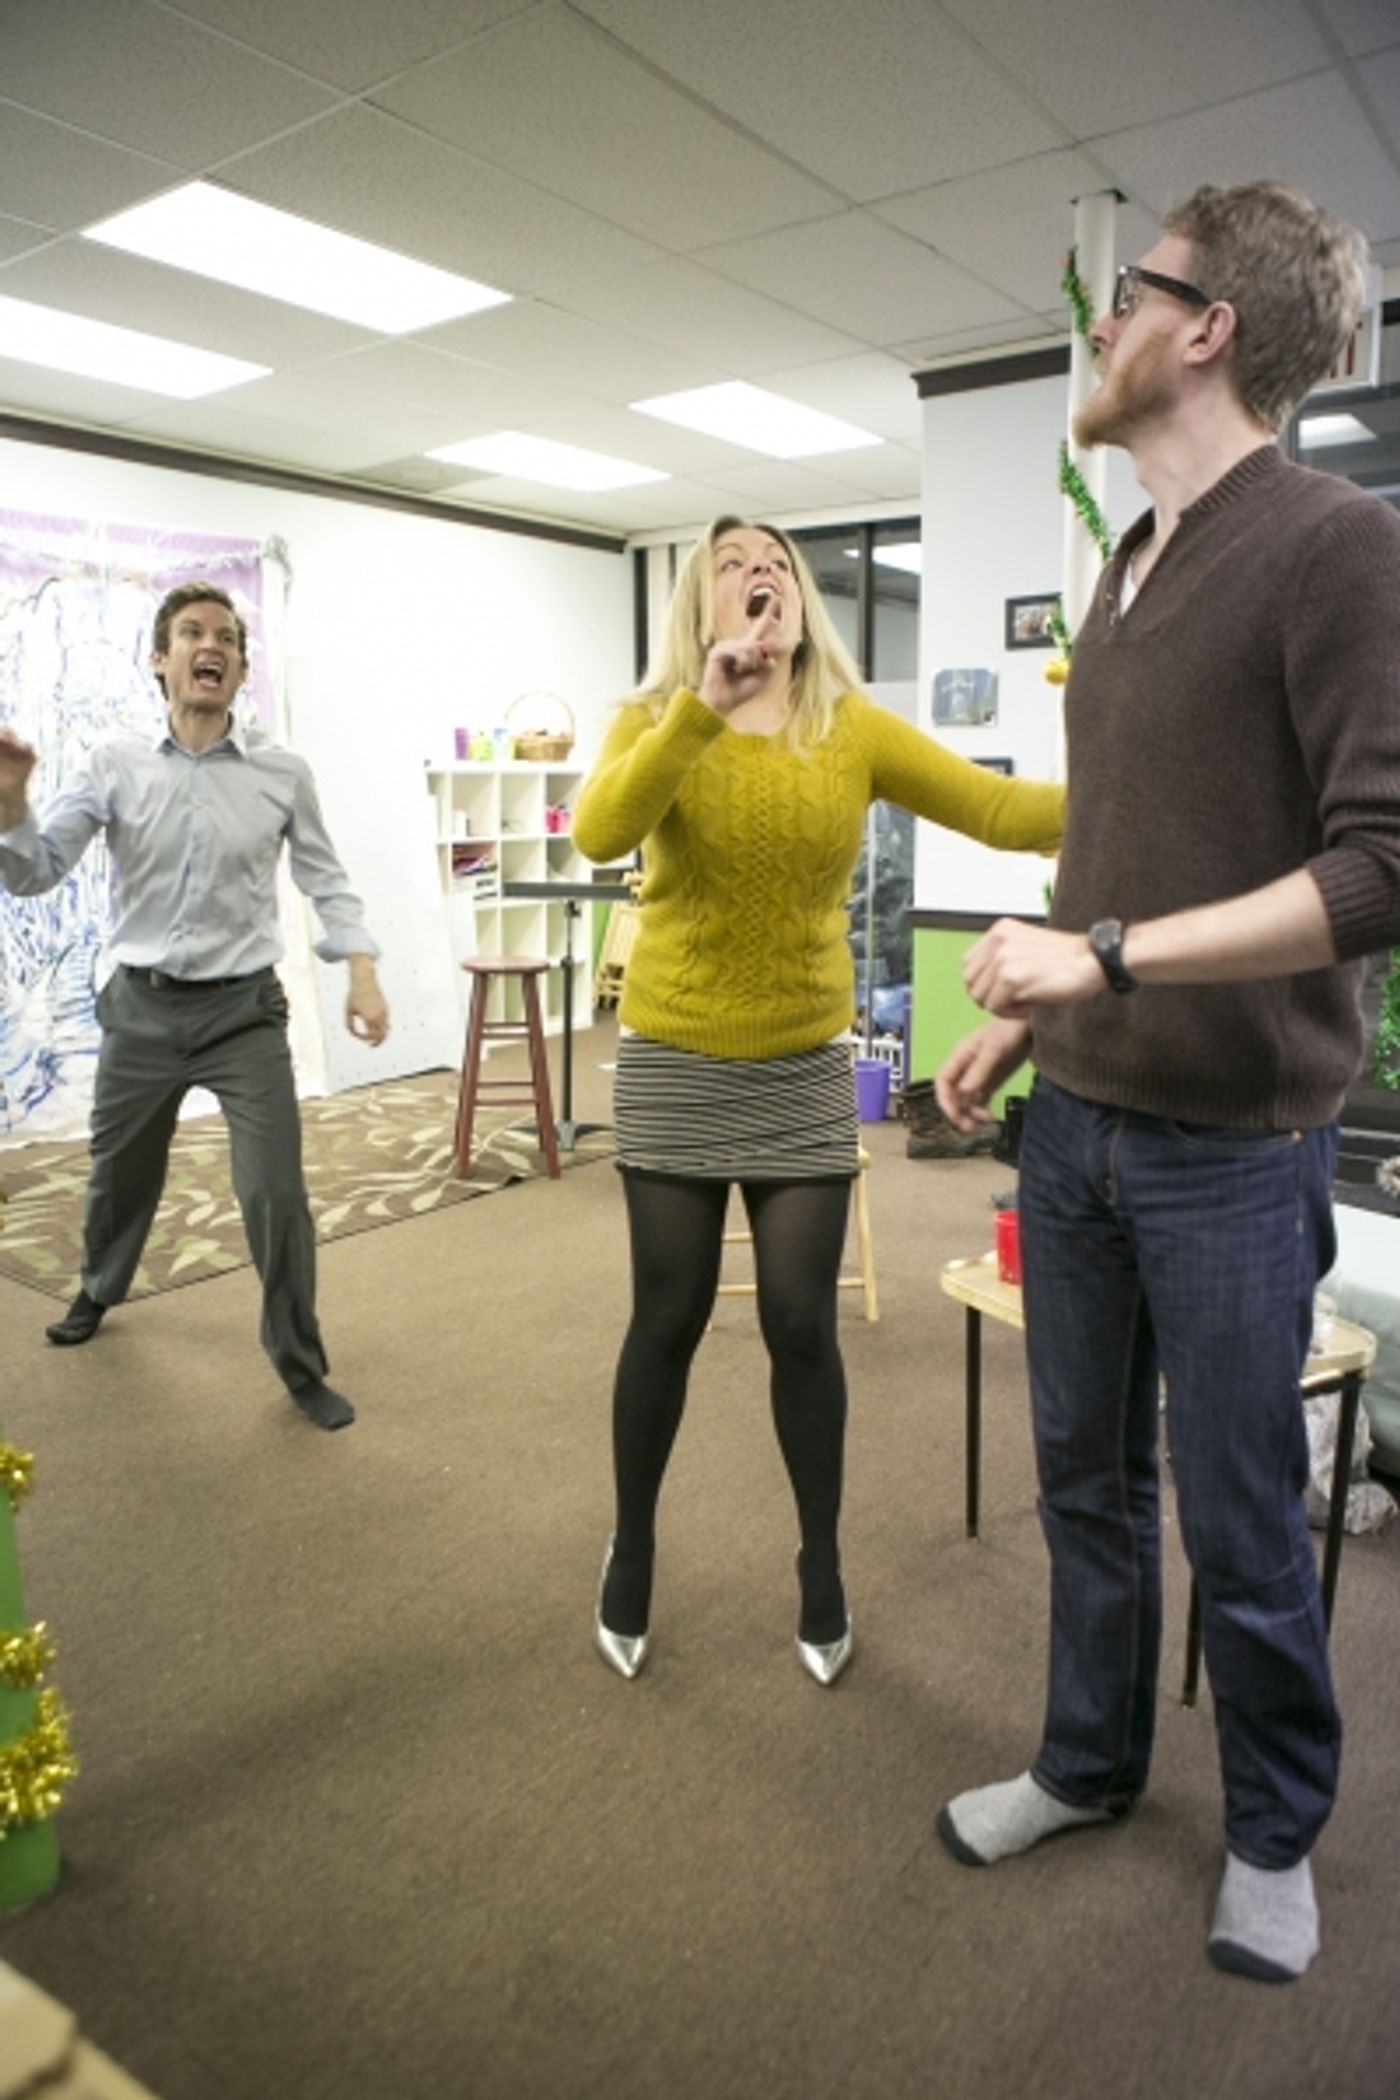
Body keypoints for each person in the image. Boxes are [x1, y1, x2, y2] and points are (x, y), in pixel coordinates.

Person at [932, 182, 1400, 1982]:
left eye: (1126, 295)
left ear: (1206, 326)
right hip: (1081, 1126)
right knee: (1082, 1484)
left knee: (1240, 1514)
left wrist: (1107, 962)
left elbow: (1378, 873)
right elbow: (1116, 864)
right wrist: (1038, 1014)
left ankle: (1278, 1823)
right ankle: (1088, 1762)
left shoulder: (1334, 544)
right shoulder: (1124, 573)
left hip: (1232, 1152)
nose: (1097, 324)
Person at [572, 517, 1063, 1684]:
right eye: (735, 564)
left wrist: (1133, 783)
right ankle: (630, 1547)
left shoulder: (848, 729)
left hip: (797, 1066)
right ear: (702, 598)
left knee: (801, 1323)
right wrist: (699, 704)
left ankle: (820, 1562)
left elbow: (995, 813)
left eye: (778, 567)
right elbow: (601, 831)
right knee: (670, 1318)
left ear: (801, 604)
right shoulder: (651, 721)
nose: (761, 578)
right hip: (677, 1060)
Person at [0, 581, 390, 1431]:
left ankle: (298, 1361)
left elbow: (326, 878)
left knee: (275, 1192)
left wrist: (360, 966)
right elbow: (32, 872)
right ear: (160, 658)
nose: (208, 646)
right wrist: (10, 804)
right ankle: (100, 1288)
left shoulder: (282, 774)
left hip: (243, 1015)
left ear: (241, 668)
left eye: (224, 636)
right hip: (140, 1011)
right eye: (189, 633)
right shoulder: (115, 764)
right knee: (120, 1175)